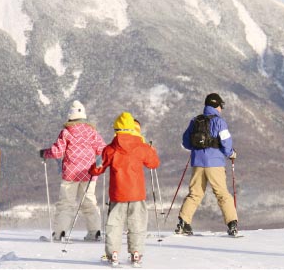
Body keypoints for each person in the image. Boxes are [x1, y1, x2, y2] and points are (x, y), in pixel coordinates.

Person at [89, 112, 160, 267]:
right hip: (137, 194)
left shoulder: (110, 149)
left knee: (114, 225)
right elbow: (154, 163)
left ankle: (113, 253)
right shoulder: (142, 147)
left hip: (118, 194)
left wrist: (93, 169)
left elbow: (97, 169)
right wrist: (151, 149)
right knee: (137, 224)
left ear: (117, 129)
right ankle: (136, 253)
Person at [39, 100, 106, 241]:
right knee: (89, 202)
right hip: (89, 173)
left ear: (69, 116)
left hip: (70, 174)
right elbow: (102, 149)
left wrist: (45, 153)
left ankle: (60, 233)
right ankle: (95, 232)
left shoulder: (66, 132)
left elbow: (57, 152)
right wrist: (99, 162)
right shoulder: (92, 132)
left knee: (66, 204)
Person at [176, 93, 238, 236]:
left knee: (195, 194)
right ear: (217, 106)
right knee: (222, 194)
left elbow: (185, 142)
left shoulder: (195, 121)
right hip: (215, 163)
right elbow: (226, 143)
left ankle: (183, 223)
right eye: (221, 106)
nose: (221, 109)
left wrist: (196, 149)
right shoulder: (219, 122)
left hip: (197, 162)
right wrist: (231, 154)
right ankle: (232, 224)